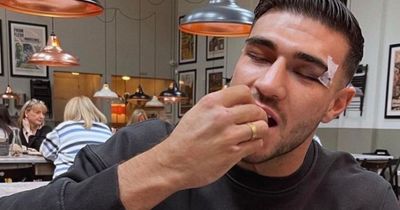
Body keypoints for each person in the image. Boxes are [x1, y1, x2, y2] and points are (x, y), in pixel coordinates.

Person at [0, 0, 398, 209]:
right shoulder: (142, 146)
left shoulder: (362, 197)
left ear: (337, 105)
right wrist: (167, 167)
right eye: (259, 55)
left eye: (307, 73)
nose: (268, 83)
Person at [40, 96, 112, 178]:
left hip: (67, 181)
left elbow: (46, 152)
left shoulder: (64, 128)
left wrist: (62, 155)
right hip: (98, 180)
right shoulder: (105, 130)